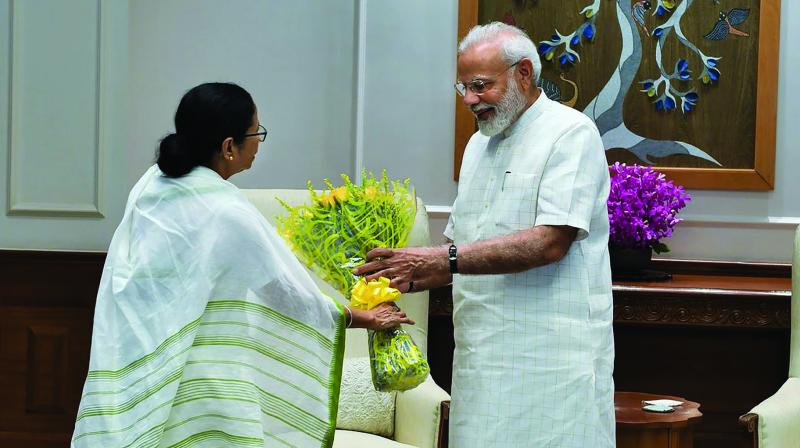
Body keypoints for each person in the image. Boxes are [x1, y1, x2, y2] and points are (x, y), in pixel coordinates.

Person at [71, 82, 412, 448]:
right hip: (202, 372)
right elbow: (283, 292)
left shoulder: (150, 184)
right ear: (228, 147)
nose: (258, 143)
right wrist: (363, 317)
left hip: (139, 353)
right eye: (256, 133)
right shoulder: (225, 210)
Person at [354, 23, 615, 447]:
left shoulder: (571, 133)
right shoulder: (478, 145)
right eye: (463, 89)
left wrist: (440, 260)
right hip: (480, 358)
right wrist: (402, 275)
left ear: (524, 74)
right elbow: (460, 250)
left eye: (480, 86)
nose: (470, 100)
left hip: (550, 361)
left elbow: (550, 241)